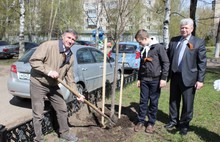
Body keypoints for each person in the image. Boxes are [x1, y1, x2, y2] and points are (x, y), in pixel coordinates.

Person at [29, 28, 84, 142]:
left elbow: (70, 79)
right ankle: (38, 138)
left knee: (62, 108)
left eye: (73, 39)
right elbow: (34, 61)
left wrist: (77, 94)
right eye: (69, 37)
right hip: (39, 82)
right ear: (63, 37)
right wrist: (49, 71)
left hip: (53, 85)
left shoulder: (71, 56)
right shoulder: (48, 46)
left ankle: (64, 134)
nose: (71, 41)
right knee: (38, 112)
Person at [165, 18, 207, 135]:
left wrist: (200, 79)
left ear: (192, 29)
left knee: (187, 103)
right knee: (173, 100)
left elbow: (202, 62)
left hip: (189, 78)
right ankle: (173, 121)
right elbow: (167, 58)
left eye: (186, 28)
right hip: (175, 76)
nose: (183, 30)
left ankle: (184, 125)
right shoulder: (174, 41)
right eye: (182, 27)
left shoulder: (198, 42)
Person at [134, 29, 170, 133]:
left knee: (153, 102)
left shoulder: (158, 47)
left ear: (145, 38)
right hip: (144, 80)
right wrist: (139, 79)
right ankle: (140, 121)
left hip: (155, 80)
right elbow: (142, 65)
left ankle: (150, 123)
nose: (139, 44)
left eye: (140, 42)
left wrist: (163, 78)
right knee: (143, 101)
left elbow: (166, 62)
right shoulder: (143, 49)